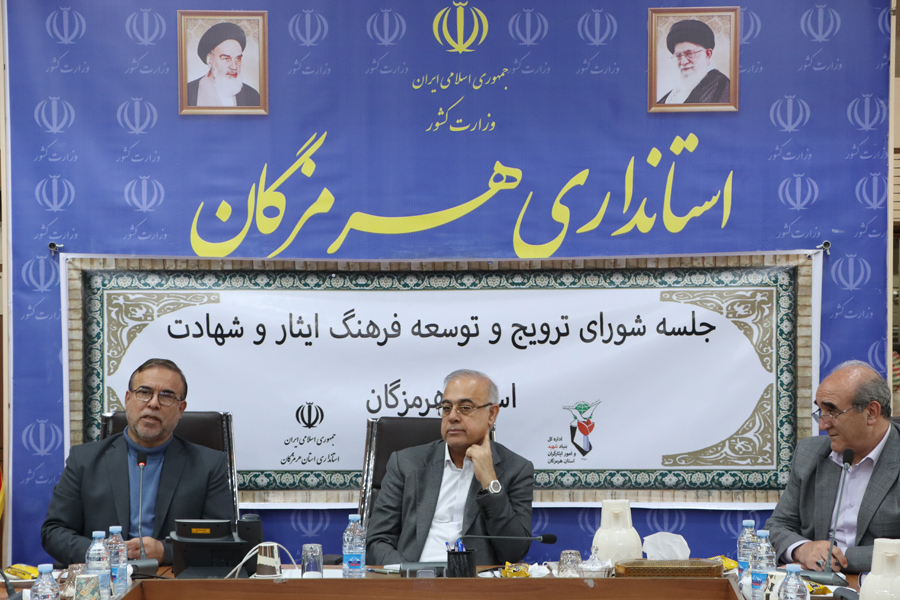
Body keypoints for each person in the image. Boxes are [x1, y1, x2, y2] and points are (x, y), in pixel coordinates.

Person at [42, 358, 233, 566]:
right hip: (103, 578)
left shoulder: (209, 465)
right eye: (144, 392)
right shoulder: (83, 460)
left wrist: (166, 551)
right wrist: (103, 554)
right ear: (127, 399)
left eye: (166, 396)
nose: (153, 403)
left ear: (180, 409)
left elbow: (223, 539)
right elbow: (54, 532)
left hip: (170, 577)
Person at [366, 369, 534, 566]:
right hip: (413, 578)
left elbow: (514, 551)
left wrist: (490, 482)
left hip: (476, 581)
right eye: (446, 408)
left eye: (465, 407)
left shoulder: (516, 469)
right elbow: (377, 540)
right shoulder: (406, 463)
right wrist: (405, 574)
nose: (453, 416)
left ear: (491, 414)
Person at [765, 360, 900, 574]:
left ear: (872, 412)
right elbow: (777, 526)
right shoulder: (810, 454)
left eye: (832, 411)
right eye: (820, 411)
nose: (822, 424)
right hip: (816, 584)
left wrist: (833, 559)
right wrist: (803, 549)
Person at [187, 22, 260, 107]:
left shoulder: (252, 95)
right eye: (226, 59)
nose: (234, 67)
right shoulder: (187, 93)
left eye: (238, 58)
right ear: (210, 59)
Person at [658, 19, 730, 104]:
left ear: (708, 54)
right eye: (678, 55)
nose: (683, 62)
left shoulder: (722, 87)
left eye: (689, 53)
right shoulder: (674, 94)